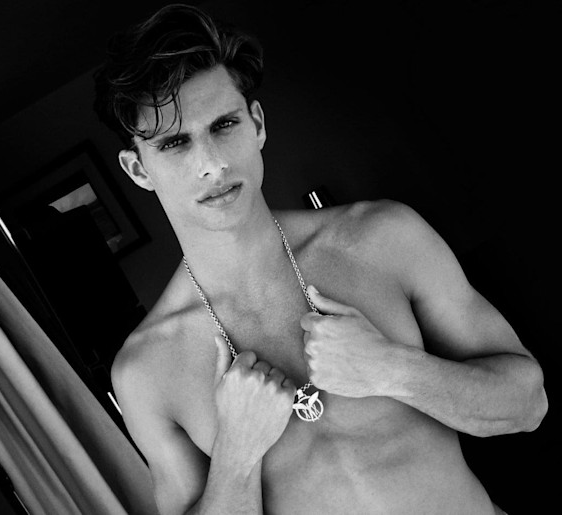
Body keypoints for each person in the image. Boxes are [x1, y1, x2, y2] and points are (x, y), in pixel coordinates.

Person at [93, 4, 548, 514]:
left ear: (256, 124)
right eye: (175, 143)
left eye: (224, 125)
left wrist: (391, 369)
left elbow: (528, 404)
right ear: (138, 170)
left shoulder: (382, 238)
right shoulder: (148, 369)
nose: (212, 164)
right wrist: (237, 454)